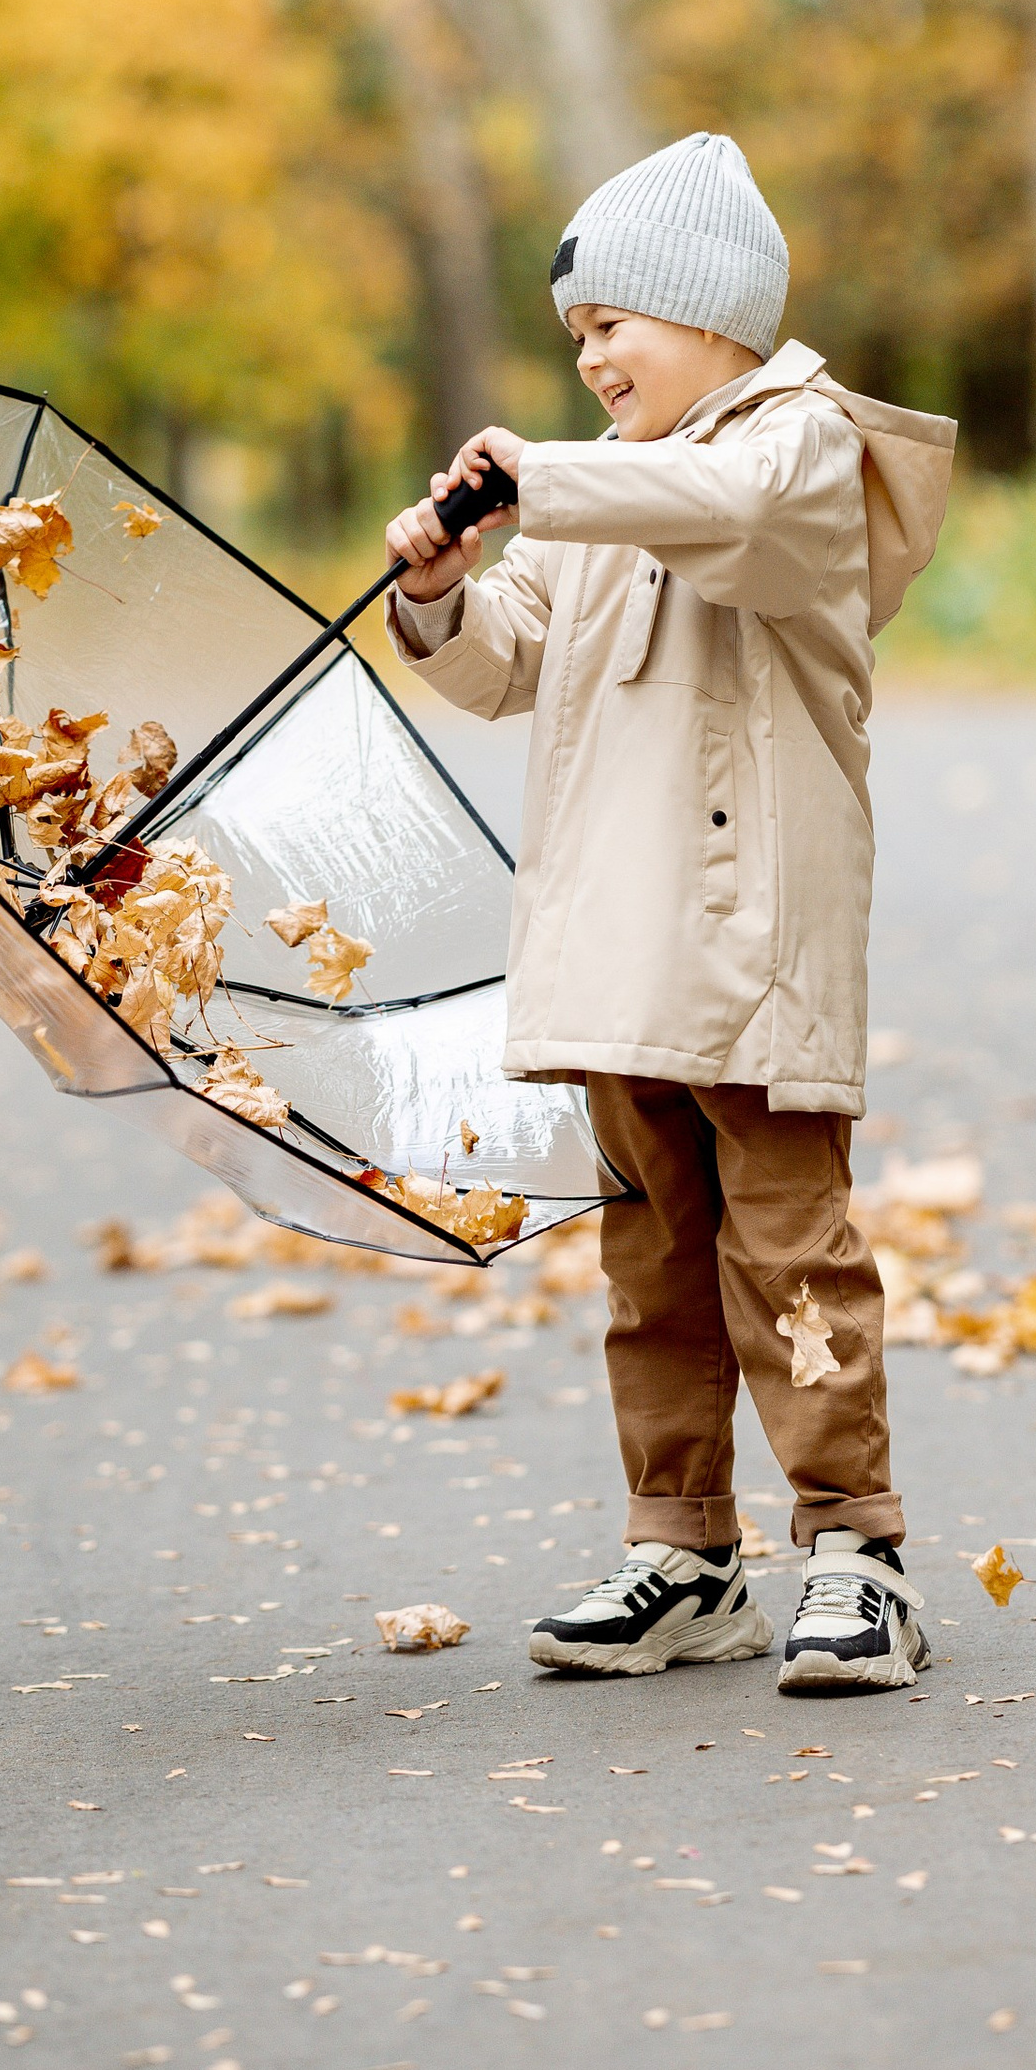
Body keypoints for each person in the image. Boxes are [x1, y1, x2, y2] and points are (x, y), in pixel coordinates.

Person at [383, 130, 954, 1693]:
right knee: (653, 1264)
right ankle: (685, 1549)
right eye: (575, 336)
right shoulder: (608, 492)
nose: (591, 359)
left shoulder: (804, 447)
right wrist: (439, 586)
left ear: (709, 312)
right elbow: (508, 655)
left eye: (610, 324)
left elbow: (734, 516)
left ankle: (858, 1549)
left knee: (791, 1254)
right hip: (618, 961)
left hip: (751, 957)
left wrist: (543, 479)